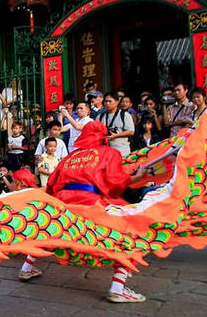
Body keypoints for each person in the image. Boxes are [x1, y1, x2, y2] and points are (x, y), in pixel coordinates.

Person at [46, 121, 149, 302]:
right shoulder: (109, 153)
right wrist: (136, 178)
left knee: (47, 231)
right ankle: (118, 287)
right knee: (131, 233)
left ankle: (27, 266)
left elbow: (51, 184)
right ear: (103, 135)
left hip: (63, 204)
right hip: (90, 202)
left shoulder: (70, 157)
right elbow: (115, 182)